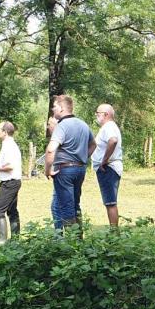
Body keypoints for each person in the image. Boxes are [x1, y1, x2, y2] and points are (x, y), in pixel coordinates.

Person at [43, 95, 94, 231]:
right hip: (80, 170)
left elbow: (50, 150)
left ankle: (71, 245)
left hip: (64, 170)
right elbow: (93, 145)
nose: (53, 110)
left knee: (65, 206)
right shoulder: (83, 124)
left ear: (61, 108)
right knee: (75, 205)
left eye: (54, 106)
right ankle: (78, 239)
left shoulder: (62, 125)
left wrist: (47, 170)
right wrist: (82, 157)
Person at [0, 121, 22, 245]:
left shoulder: (8, 145)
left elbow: (10, 166)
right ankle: (15, 240)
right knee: (12, 211)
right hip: (13, 181)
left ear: (5, 132)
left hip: (10, 183)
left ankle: (2, 240)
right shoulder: (9, 144)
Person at [91, 103, 123, 227]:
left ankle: (114, 233)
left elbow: (113, 140)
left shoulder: (109, 126)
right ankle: (113, 232)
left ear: (106, 114)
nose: (96, 116)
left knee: (110, 202)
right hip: (108, 168)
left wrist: (104, 160)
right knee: (109, 202)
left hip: (108, 168)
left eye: (98, 113)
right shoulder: (109, 127)